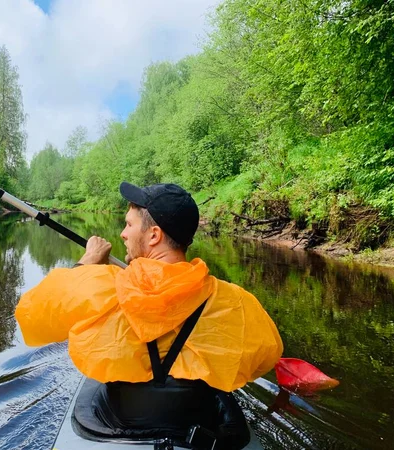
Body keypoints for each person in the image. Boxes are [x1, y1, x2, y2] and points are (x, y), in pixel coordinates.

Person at [15, 182, 283, 445]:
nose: (122, 233)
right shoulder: (234, 301)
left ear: (153, 235)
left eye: (129, 224)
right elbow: (266, 357)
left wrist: (85, 265)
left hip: (119, 424)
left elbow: (32, 315)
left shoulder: (104, 287)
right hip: (198, 424)